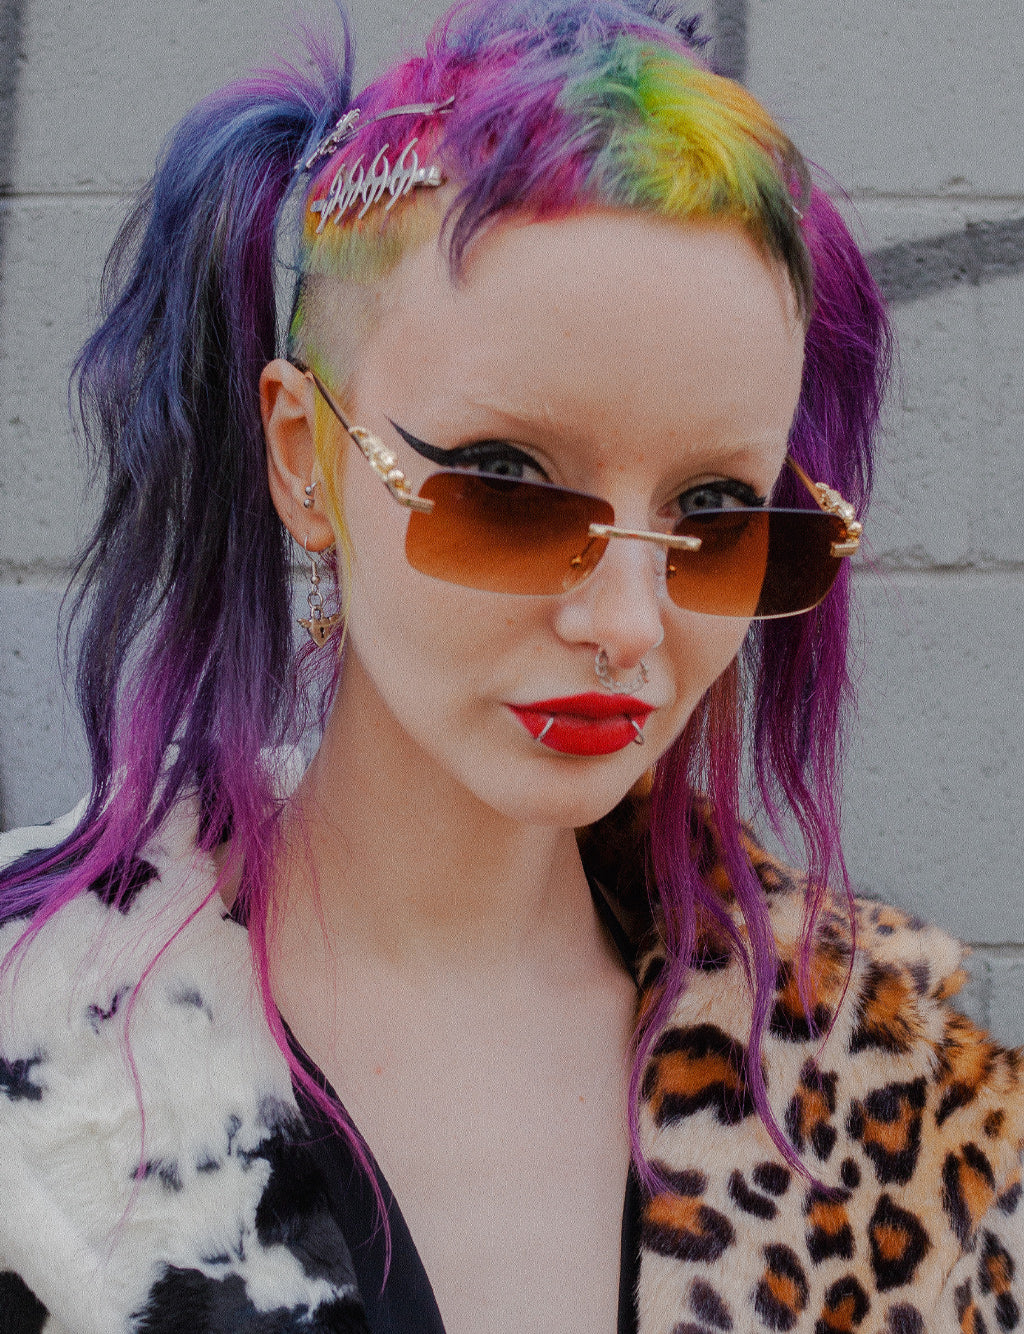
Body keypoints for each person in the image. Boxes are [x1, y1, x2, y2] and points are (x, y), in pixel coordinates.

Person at [1, 2, 1021, 1331]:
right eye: (507, 487)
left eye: (718, 512)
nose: (628, 623)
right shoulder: (40, 1071)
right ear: (306, 458)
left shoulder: (883, 1099)